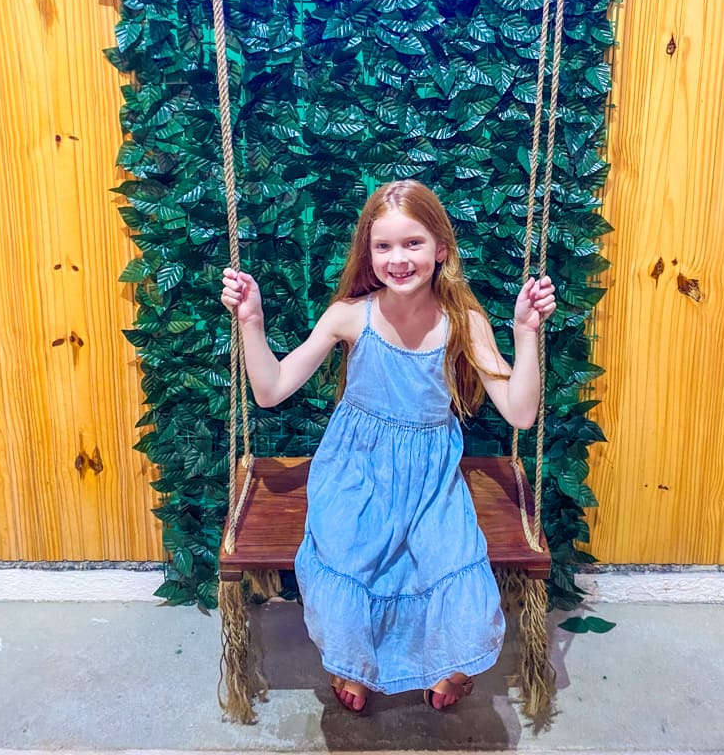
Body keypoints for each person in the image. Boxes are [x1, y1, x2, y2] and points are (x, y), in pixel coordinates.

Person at [220, 179, 556, 713]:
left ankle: (444, 665)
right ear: (369, 252)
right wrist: (252, 322)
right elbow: (271, 389)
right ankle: (354, 662)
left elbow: (519, 412)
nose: (398, 259)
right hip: (356, 472)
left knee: (451, 572)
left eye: (412, 243)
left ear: (440, 248)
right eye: (384, 246)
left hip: (430, 480)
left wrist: (525, 334)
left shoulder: (463, 323)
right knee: (350, 567)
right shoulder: (350, 316)